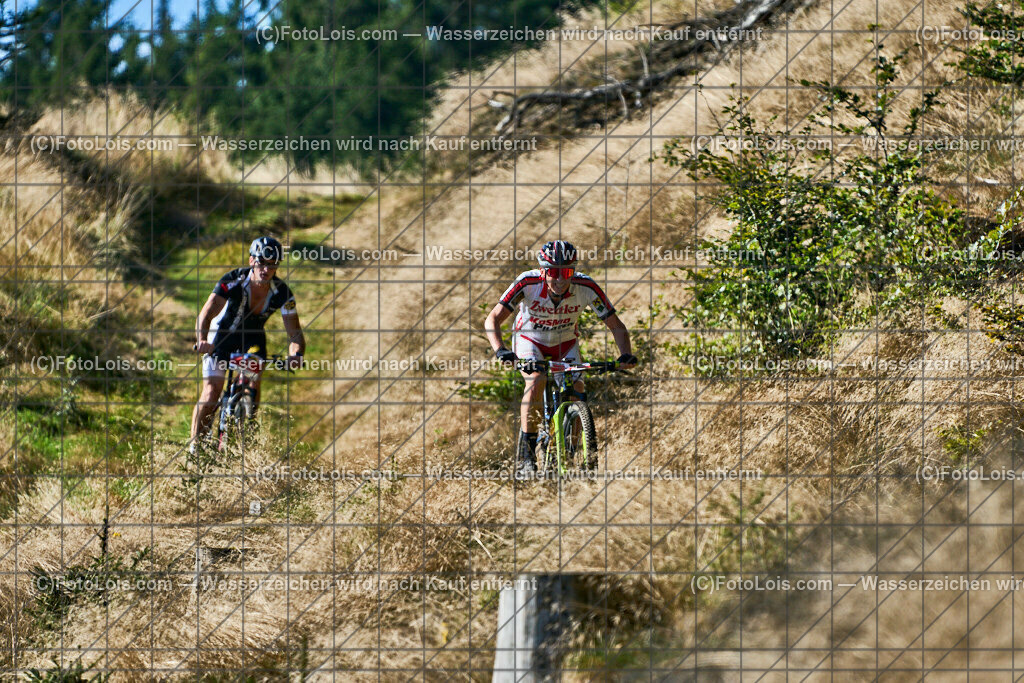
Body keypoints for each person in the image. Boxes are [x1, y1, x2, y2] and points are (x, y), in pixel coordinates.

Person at [484, 240, 637, 475]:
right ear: (543, 271)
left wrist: (626, 354)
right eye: (553, 272)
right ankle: (526, 455)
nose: (559, 279)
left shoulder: (586, 286)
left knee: (577, 389)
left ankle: (567, 454)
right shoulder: (528, 282)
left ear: (573, 271)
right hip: (529, 340)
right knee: (536, 379)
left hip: (565, 344)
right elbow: (493, 318)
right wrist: (501, 350)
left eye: (566, 272)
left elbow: (616, 325)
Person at [190, 236, 305, 452]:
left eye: (273, 264)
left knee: (253, 382)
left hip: (252, 340)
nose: (266, 269)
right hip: (220, 337)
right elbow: (206, 313)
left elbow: (295, 334)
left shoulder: (283, 293)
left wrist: (296, 355)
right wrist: (202, 340)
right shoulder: (232, 280)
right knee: (212, 391)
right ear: (252, 261)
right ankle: (196, 447)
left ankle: (247, 429)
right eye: (262, 263)